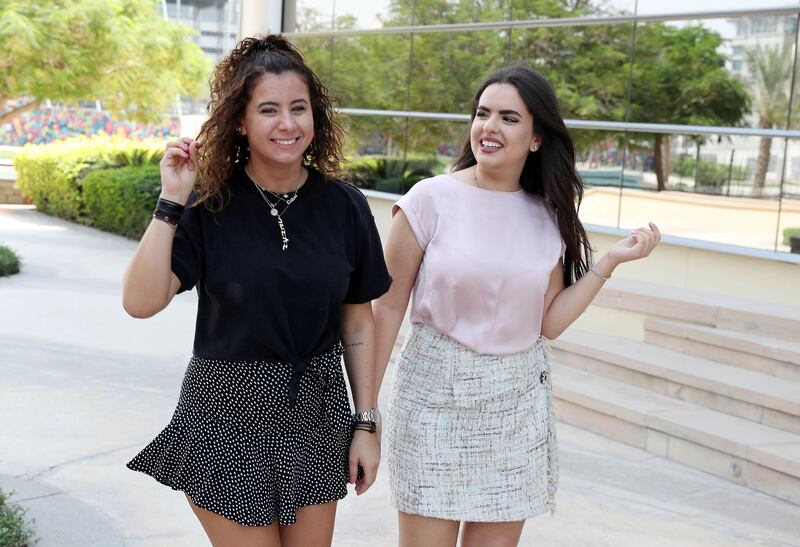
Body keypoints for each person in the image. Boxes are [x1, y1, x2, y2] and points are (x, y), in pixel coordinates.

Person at [372, 66, 661, 547]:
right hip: (432, 402)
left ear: (535, 139)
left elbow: (548, 323)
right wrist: (367, 411)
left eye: (509, 118)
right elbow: (386, 308)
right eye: (483, 114)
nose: (490, 127)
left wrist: (608, 262)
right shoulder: (430, 199)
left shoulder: (548, 215)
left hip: (515, 408)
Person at [123, 34, 391, 547]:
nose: (287, 124)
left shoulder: (345, 206)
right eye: (268, 110)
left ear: (317, 118)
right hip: (227, 412)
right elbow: (140, 303)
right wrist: (171, 201)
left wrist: (366, 423)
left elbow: (358, 320)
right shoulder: (209, 203)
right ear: (241, 122)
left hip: (317, 405)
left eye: (299, 108)